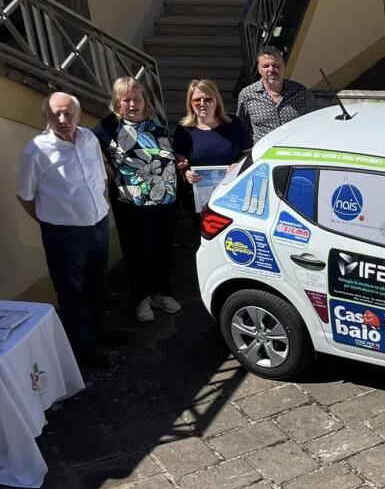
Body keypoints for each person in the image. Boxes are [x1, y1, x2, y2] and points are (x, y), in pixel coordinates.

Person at [16, 93, 114, 368]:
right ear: (45, 117)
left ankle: (100, 332)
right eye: (55, 114)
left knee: (97, 285)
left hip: (98, 224)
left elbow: (98, 176)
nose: (62, 119)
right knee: (72, 294)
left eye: (67, 113)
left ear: (78, 114)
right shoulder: (35, 150)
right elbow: (24, 195)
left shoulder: (89, 139)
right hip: (64, 235)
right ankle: (85, 349)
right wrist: (51, 222)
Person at [93, 77, 181, 323]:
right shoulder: (108, 127)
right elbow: (86, 148)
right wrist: (106, 170)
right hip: (132, 204)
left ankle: (162, 293)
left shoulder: (155, 122)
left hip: (165, 199)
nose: (133, 104)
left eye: (137, 98)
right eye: (126, 100)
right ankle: (141, 298)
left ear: (145, 100)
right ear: (117, 102)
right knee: (138, 253)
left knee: (163, 250)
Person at [173, 79, 252, 217]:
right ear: (190, 103)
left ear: (216, 100)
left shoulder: (234, 124)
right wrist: (185, 173)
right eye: (197, 100)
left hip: (233, 195)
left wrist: (238, 164)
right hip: (198, 200)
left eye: (207, 99)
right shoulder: (183, 130)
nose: (202, 104)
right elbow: (179, 162)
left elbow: (250, 154)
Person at [235, 46, 317, 143]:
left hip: (295, 152)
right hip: (264, 154)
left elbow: (316, 120)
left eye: (276, 66)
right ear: (258, 68)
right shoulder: (247, 95)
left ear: (284, 66)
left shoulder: (301, 92)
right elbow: (242, 127)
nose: (271, 70)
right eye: (265, 66)